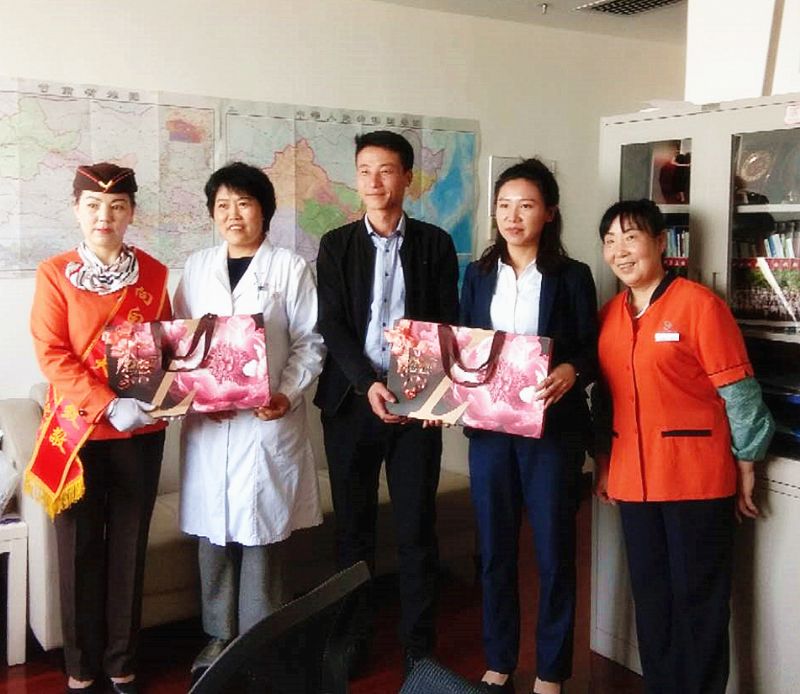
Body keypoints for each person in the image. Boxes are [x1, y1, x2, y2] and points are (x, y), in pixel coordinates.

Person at [593, 199, 775, 694]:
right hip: (633, 482)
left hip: (695, 479)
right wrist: (605, 464)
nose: (620, 250)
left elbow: (739, 393)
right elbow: (604, 403)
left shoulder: (699, 305)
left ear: (660, 243)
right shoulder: (609, 315)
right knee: (652, 601)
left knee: (700, 602)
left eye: (631, 237)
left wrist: (747, 463)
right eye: (610, 241)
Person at [314, 130, 459, 675]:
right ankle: (351, 639)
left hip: (415, 405)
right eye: (365, 170)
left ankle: (419, 646)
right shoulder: (335, 244)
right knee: (352, 530)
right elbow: (331, 322)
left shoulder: (435, 244)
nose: (375, 181)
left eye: (387, 170)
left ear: (408, 178)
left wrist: (420, 392)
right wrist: (365, 383)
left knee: (416, 527)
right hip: (352, 401)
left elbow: (445, 321)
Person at [173, 162, 325, 681]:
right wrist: (193, 392)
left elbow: (310, 342)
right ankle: (218, 637)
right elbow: (181, 342)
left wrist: (286, 394)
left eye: (244, 203)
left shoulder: (290, 268)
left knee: (262, 535)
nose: (233, 215)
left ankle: (261, 642)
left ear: (264, 210)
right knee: (213, 536)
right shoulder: (197, 268)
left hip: (266, 420)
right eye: (222, 205)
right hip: (211, 424)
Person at [27, 163, 170, 694]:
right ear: (76, 210)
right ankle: (81, 667)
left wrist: (168, 397)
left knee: (129, 548)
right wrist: (108, 404)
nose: (103, 216)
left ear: (131, 213)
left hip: (139, 435)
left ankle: (122, 662)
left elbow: (165, 346)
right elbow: (52, 355)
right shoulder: (54, 273)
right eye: (92, 205)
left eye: (116, 206)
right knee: (78, 549)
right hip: (77, 431)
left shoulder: (154, 274)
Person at [460, 159, 598, 694]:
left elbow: (590, 349)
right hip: (490, 433)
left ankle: (551, 670)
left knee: (554, 553)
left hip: (552, 435)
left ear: (550, 213)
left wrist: (571, 370)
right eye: (504, 205)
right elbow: (463, 347)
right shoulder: (477, 275)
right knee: (494, 551)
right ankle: (499, 660)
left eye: (526, 205)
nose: (513, 217)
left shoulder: (572, 276)